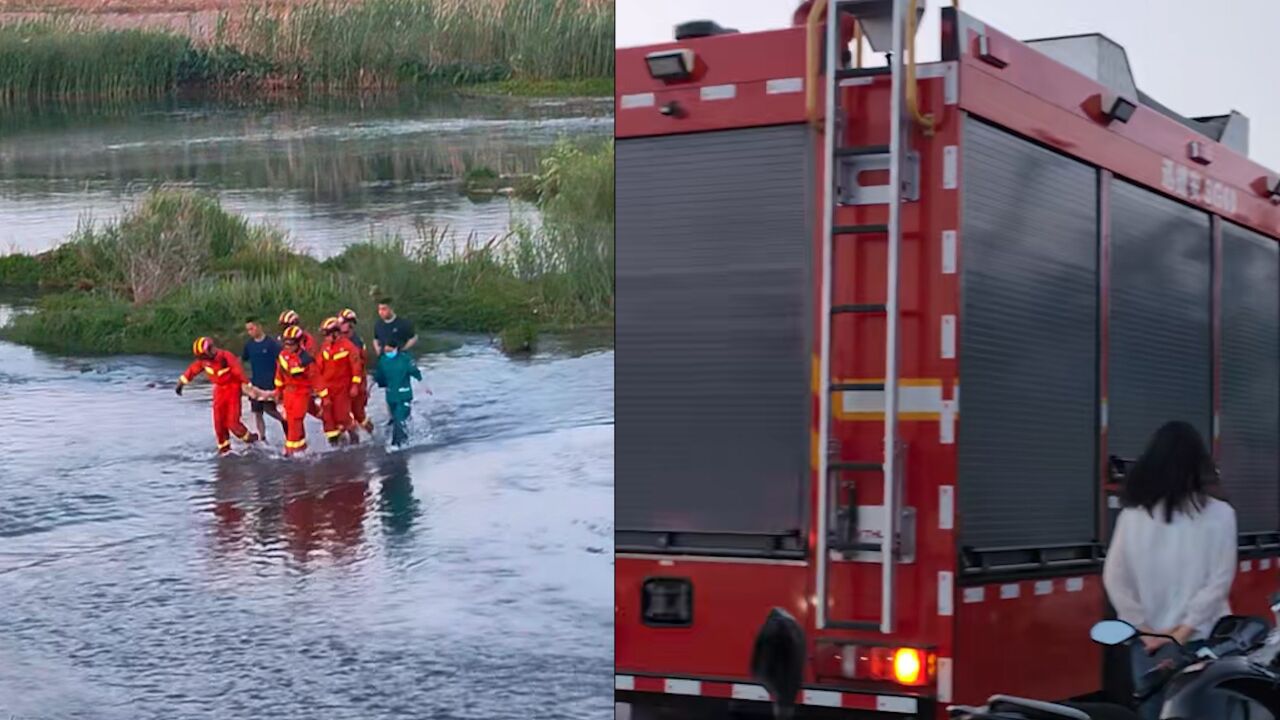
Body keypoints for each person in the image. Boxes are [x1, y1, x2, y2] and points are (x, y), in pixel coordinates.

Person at [1102, 420, 1237, 720]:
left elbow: (1115, 578)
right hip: (1203, 641)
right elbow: (1219, 582)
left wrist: (1147, 631)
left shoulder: (1132, 516)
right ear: (1199, 463)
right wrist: (1182, 632)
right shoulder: (1221, 515)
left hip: (1148, 647)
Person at [175, 336, 261, 454]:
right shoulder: (204, 361)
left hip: (232, 389)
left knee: (233, 423)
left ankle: (252, 441)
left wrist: (249, 386)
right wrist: (181, 383)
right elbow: (193, 370)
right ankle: (224, 449)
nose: (204, 359)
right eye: (202, 357)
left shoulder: (225, 357)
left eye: (204, 356)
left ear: (211, 349)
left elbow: (238, 371)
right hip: (219, 390)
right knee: (218, 422)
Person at [274, 325, 320, 456]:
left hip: (302, 393)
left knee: (295, 421)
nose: (287, 346)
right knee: (290, 420)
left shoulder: (306, 360)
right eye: (286, 343)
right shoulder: (283, 356)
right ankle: (301, 449)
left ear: (299, 343)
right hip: (288, 393)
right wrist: (278, 391)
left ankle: (290, 452)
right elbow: (279, 375)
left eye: (291, 344)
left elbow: (315, 378)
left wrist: (323, 396)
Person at [316, 316, 363, 446]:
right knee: (328, 419)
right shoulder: (325, 347)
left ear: (336, 333)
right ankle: (335, 446)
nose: (325, 338)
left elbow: (356, 368)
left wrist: (355, 386)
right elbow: (319, 367)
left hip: (342, 389)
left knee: (343, 417)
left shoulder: (349, 347)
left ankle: (355, 441)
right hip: (327, 389)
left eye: (327, 335)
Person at [241, 318, 287, 441]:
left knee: (269, 409)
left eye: (252, 328)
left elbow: (282, 361)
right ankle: (262, 437)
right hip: (256, 383)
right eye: (248, 330)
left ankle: (285, 421)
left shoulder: (271, 344)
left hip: (270, 383)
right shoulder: (249, 345)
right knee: (257, 412)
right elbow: (243, 360)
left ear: (259, 326)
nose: (250, 332)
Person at [373, 337, 424, 447]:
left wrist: (424, 385)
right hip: (391, 397)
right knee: (395, 419)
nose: (388, 353)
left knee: (399, 419)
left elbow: (415, 372)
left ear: (396, 348)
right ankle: (404, 440)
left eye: (390, 351)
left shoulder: (405, 359)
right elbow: (379, 377)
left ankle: (396, 445)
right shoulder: (383, 361)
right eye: (386, 351)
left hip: (404, 395)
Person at [339, 308, 375, 433]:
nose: (340, 325)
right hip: (344, 383)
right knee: (344, 414)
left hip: (356, 383)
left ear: (350, 324)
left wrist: (357, 386)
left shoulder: (356, 343)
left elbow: (359, 366)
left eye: (343, 323)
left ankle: (371, 435)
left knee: (359, 414)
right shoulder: (340, 340)